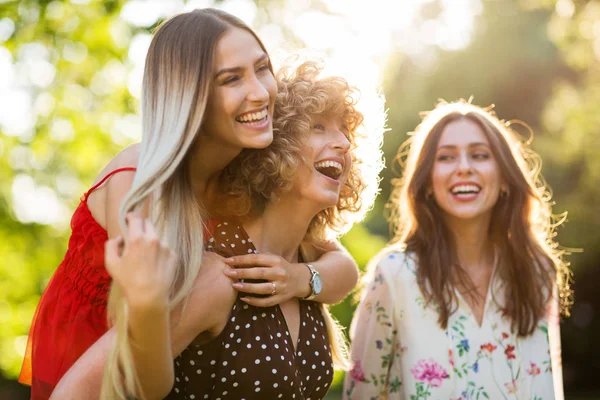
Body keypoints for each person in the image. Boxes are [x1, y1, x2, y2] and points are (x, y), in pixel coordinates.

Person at [20, 9, 360, 400]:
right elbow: (136, 375)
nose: (260, 92)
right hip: (98, 368)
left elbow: (342, 265)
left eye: (262, 68)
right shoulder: (142, 182)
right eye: (231, 78)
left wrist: (300, 278)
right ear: (189, 94)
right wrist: (149, 303)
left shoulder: (236, 183)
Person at [102, 60, 385, 399]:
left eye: (345, 131)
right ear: (275, 144)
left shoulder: (308, 260)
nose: (343, 143)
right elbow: (99, 385)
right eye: (319, 127)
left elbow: (347, 272)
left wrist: (302, 278)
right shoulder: (219, 269)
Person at [344, 100, 572, 400]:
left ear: (505, 179)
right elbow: (361, 394)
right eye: (446, 157)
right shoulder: (393, 275)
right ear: (427, 183)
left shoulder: (537, 273)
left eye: (479, 155)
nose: (464, 168)